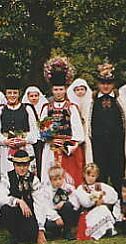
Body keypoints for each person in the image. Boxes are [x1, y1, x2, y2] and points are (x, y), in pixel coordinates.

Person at [40, 57, 85, 187]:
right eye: (56, 90)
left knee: (68, 180)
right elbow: (43, 132)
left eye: (61, 89)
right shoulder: (47, 108)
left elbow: (79, 135)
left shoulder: (71, 108)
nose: (58, 93)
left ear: (65, 90)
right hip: (51, 148)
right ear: (52, 90)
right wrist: (51, 140)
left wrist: (67, 145)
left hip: (68, 150)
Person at [89, 63, 126, 192]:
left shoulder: (120, 100)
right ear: (98, 84)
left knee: (117, 176)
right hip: (98, 146)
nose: (105, 86)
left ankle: (119, 203)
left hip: (117, 146)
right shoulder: (92, 101)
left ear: (113, 84)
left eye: (109, 83)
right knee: (100, 175)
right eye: (102, 83)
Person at [0, 150, 47, 244]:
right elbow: (0, 197)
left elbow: (39, 204)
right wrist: (18, 201)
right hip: (15, 212)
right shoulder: (7, 177)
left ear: (28, 165)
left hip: (29, 215)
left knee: (31, 235)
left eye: (25, 165)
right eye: (19, 165)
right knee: (5, 209)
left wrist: (40, 230)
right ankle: (15, 235)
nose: (22, 168)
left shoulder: (34, 179)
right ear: (14, 165)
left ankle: (27, 234)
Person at [0, 77, 39, 177]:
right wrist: (5, 141)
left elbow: (35, 131)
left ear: (19, 94)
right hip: (6, 150)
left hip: (25, 148)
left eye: (15, 93)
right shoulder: (0, 110)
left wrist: (25, 140)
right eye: (9, 93)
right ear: (5, 94)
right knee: (8, 177)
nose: (12, 95)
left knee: (27, 175)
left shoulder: (27, 109)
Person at [72, 163, 118, 240]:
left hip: (99, 210)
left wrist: (103, 200)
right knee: (102, 210)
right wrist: (96, 199)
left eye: (93, 176)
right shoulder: (81, 188)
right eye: (88, 175)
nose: (90, 178)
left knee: (103, 208)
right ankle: (97, 233)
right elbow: (85, 202)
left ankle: (107, 229)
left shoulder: (100, 185)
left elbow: (114, 196)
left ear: (96, 176)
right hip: (87, 214)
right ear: (84, 175)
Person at [42, 166, 78, 240]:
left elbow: (76, 201)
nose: (58, 182)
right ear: (50, 180)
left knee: (68, 205)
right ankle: (56, 233)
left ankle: (67, 232)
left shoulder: (69, 188)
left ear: (63, 178)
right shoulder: (46, 191)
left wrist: (64, 202)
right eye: (55, 180)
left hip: (67, 213)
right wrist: (56, 217)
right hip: (53, 214)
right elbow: (46, 207)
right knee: (48, 224)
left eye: (60, 179)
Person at [21, 85, 48, 177]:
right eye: (31, 96)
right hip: (30, 140)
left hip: (42, 139)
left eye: (36, 96)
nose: (34, 98)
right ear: (27, 97)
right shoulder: (24, 108)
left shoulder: (44, 106)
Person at [67, 78, 94, 163]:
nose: (80, 91)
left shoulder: (91, 102)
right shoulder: (70, 103)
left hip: (87, 130)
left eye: (82, 89)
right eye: (77, 90)